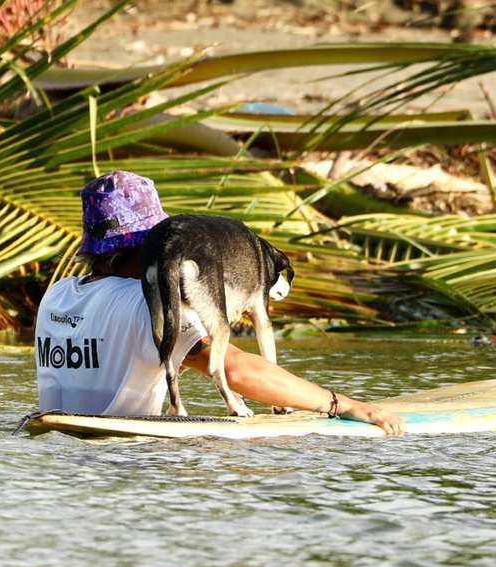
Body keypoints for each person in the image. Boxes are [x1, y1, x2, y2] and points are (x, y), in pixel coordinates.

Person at [35, 170, 405, 436]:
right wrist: (342, 404)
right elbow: (238, 370)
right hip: (123, 458)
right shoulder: (143, 304)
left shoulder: (58, 294)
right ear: (149, 245)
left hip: (57, 450)